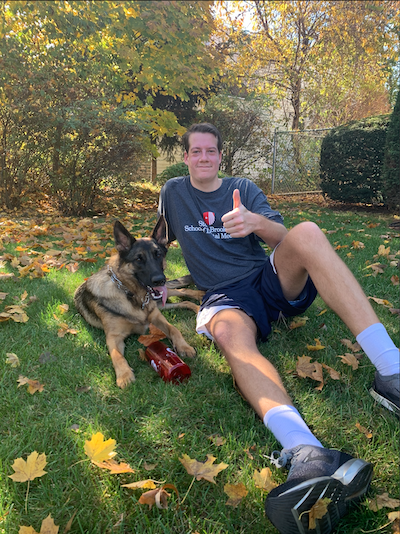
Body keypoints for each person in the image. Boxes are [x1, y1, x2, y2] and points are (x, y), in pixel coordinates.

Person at [158, 123, 399, 534]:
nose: (203, 158)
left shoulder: (243, 188)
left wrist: (254, 222)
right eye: (195, 151)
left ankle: (391, 370)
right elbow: (160, 238)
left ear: (220, 155)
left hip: (268, 280)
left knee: (306, 232)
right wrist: (155, 280)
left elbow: (284, 238)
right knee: (231, 337)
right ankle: (308, 454)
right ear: (185, 157)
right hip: (224, 297)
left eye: (210, 151)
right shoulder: (172, 192)